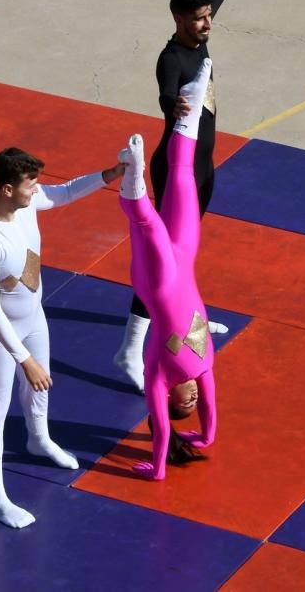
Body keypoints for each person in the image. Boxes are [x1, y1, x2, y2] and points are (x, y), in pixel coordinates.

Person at [115, 0, 261, 391]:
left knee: (187, 250)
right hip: (175, 168)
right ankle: (130, 350)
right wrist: (173, 104)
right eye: (199, 19)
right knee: (165, 260)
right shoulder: (172, 57)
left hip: (204, 165)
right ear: (179, 18)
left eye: (208, 17)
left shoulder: (201, 28)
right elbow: (165, 89)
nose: (207, 25)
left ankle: (188, 313)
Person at [0, 148, 124, 527]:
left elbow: (65, 191)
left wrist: (111, 173)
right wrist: (23, 358)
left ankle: (39, 438)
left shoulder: (26, 204)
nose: (37, 190)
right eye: (30, 184)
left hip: (33, 316)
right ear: (6, 188)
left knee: (41, 385)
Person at [118, 58, 216, 481]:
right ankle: (191, 110)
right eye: (193, 403)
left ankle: (133, 174)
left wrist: (158, 467)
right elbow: (211, 422)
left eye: (185, 404)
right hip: (187, 260)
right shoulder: (205, 365)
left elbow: (160, 430)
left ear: (171, 399)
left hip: (157, 284)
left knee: (148, 227)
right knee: (182, 181)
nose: (192, 398)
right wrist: (205, 437)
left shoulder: (158, 375)